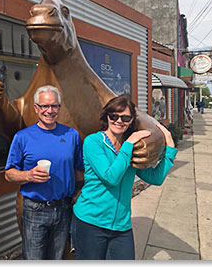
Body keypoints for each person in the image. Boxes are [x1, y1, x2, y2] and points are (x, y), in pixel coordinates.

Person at [71, 95, 177, 260]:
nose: (119, 121)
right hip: (91, 223)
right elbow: (111, 177)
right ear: (107, 116)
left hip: (121, 226)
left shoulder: (130, 148)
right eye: (114, 116)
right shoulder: (94, 142)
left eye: (125, 117)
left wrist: (169, 147)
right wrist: (130, 143)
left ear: (132, 120)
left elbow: (155, 178)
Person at [4, 85, 84, 260]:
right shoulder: (22, 137)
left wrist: (80, 193)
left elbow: (79, 170)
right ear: (36, 108)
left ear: (59, 108)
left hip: (64, 207)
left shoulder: (71, 135)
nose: (50, 110)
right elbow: (9, 173)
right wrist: (28, 175)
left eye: (54, 106)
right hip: (35, 209)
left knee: (57, 258)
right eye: (44, 106)